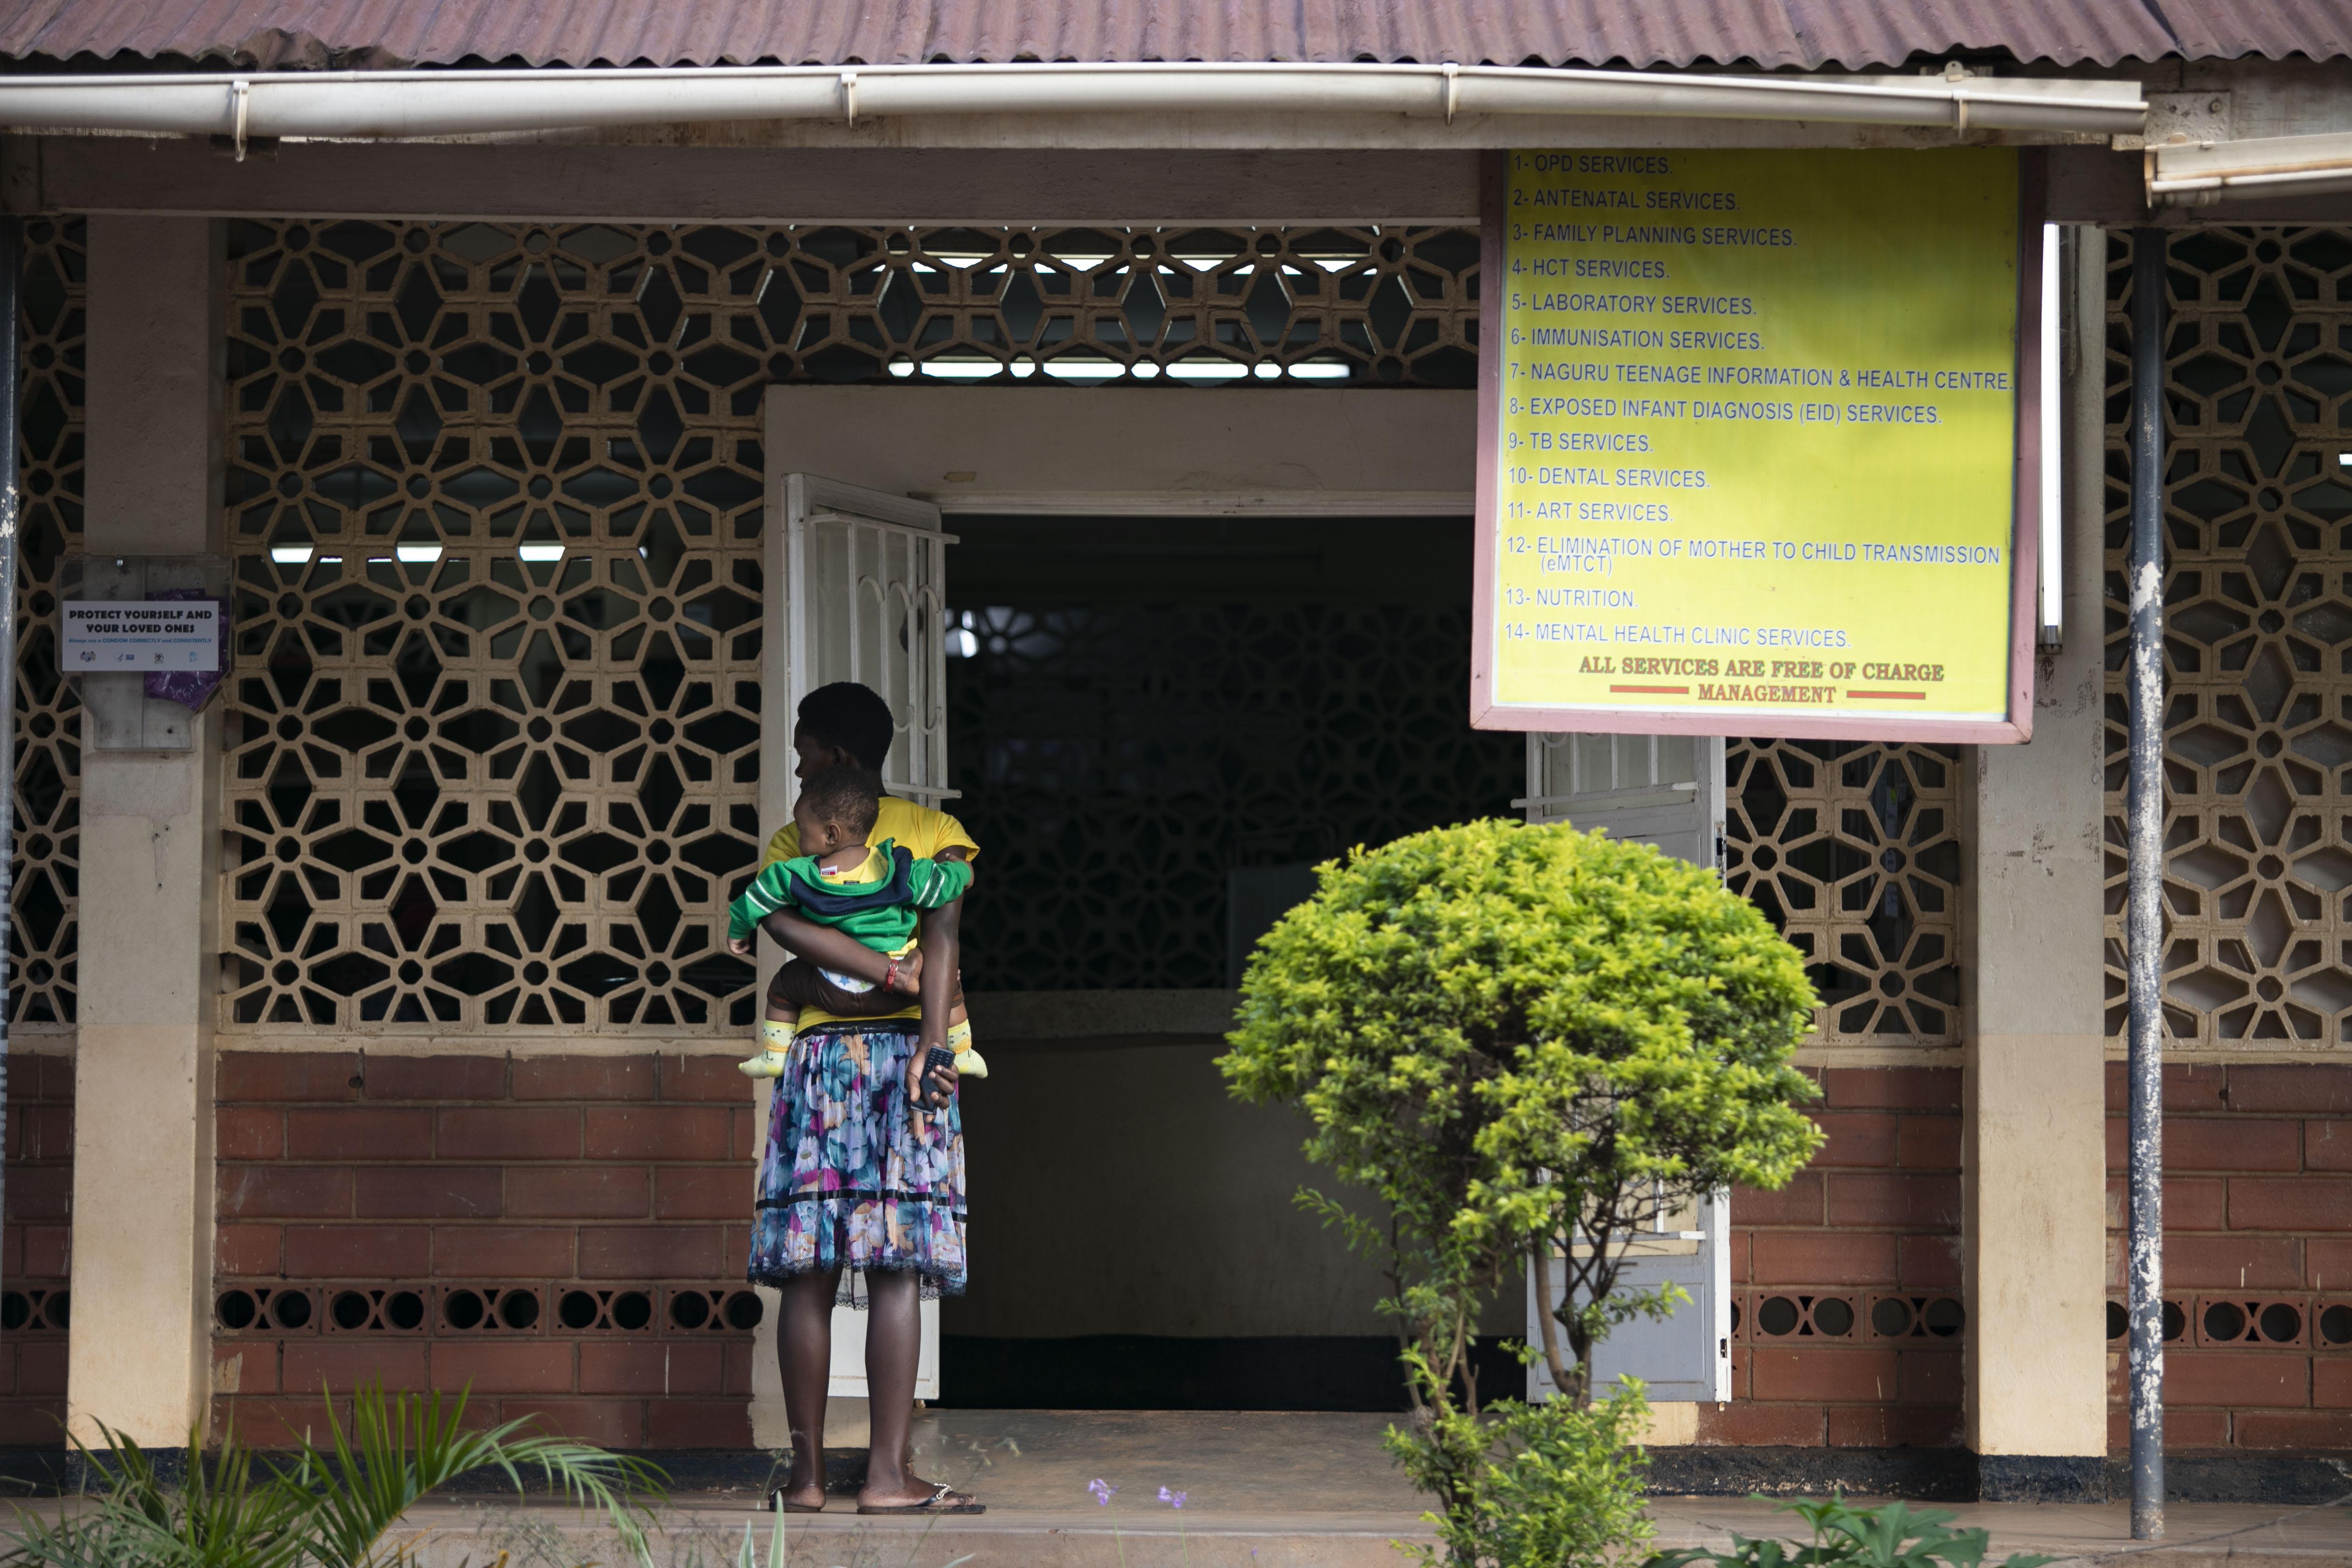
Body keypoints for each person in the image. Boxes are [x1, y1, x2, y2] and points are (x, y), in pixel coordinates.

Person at [743, 681, 983, 1517]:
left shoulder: (796, 835)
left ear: (836, 757)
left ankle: (806, 1481)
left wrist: (831, 979)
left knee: (808, 1275)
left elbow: (785, 933)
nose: (796, 759)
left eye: (803, 745)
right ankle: (887, 1478)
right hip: (911, 1063)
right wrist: (924, 1026)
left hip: (818, 1063)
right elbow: (943, 934)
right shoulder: (937, 837)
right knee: (893, 1274)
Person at [724, 763, 973, 1080]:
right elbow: (942, 898)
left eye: (802, 831)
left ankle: (774, 1055)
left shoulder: (799, 873)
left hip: (828, 1008)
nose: (799, 768)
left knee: (784, 984)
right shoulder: (902, 865)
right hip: (905, 1007)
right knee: (950, 981)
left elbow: (756, 903)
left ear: (831, 833)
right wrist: (965, 873)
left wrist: (738, 931)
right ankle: (963, 1052)